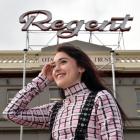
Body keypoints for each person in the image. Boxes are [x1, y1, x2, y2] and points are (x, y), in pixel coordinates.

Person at [3, 43, 124, 140]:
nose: (56, 69)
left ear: (81, 67)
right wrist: (42, 80)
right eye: (54, 65)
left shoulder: (100, 98)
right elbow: (11, 113)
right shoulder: (55, 109)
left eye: (63, 62)